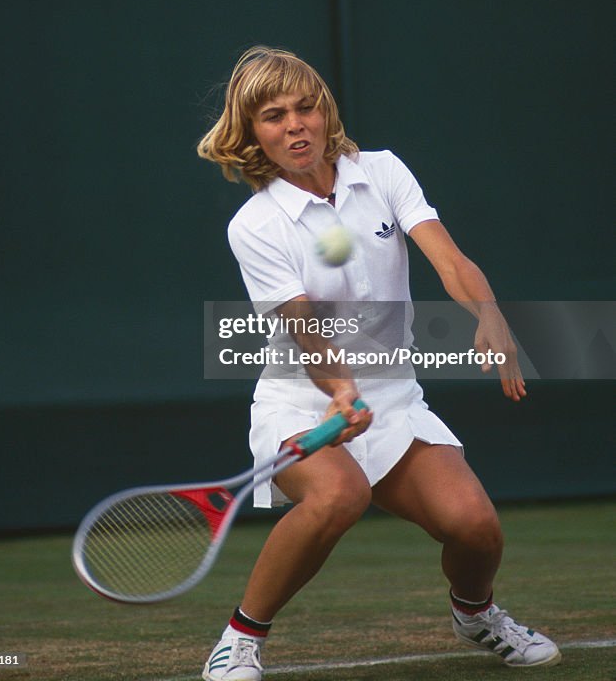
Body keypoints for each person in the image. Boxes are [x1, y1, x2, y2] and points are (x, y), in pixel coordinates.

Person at [196, 45, 560, 679]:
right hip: (300, 400)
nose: (296, 125)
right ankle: (240, 639)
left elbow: (448, 259)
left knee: (476, 527)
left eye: (306, 107)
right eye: (275, 115)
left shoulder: (384, 171)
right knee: (339, 495)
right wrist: (339, 389)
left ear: (325, 110)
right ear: (251, 132)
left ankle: (475, 614)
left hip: (393, 397)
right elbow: (302, 326)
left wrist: (491, 315)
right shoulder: (254, 224)